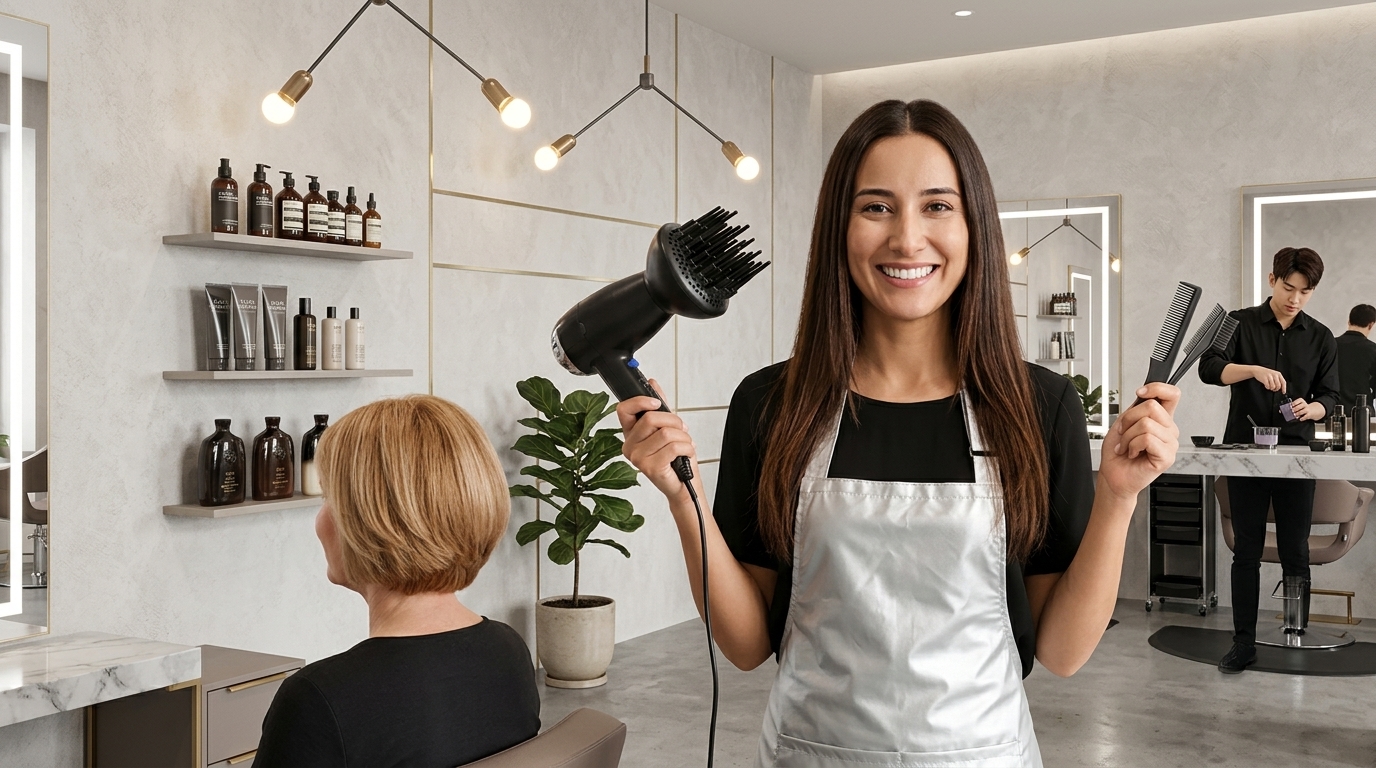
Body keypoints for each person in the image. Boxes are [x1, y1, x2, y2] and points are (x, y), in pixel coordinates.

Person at [617, 99, 1179, 767]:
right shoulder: (772, 404)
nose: (907, 240)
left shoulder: (1036, 406)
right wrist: (681, 498)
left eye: (937, 206)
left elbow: (1062, 652)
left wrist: (1118, 496)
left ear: (973, 227)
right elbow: (745, 647)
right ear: (839, 228)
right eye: (876, 207)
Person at [253, 395, 540, 767]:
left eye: (328, 498)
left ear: (368, 523)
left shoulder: (318, 700)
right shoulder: (508, 651)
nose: (320, 520)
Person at [1199, 247, 1339, 674]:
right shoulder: (1237, 322)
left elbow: (1331, 397)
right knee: (1247, 551)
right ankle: (1243, 643)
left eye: (1305, 292)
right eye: (1288, 287)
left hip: (1297, 458)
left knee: (1296, 550)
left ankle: (1296, 633)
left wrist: (1311, 409)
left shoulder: (1321, 336)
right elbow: (1209, 368)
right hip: (1246, 455)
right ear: (1272, 279)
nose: (1295, 299)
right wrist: (1253, 370)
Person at [1335, 303, 1376, 411]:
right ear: (1371, 325)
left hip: (1333, 411)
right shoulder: (1373, 349)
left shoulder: (1330, 345)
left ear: (1349, 321)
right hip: (1363, 412)